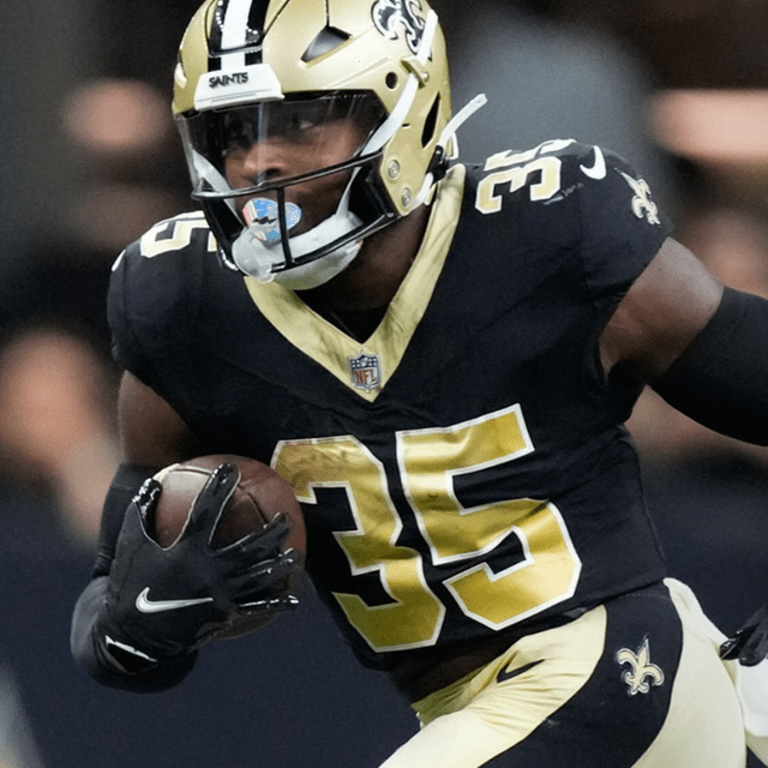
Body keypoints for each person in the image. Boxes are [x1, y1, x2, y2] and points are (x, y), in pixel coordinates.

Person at [70, 0, 768, 765]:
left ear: (402, 109)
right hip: (468, 715)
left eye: (300, 121)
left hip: (619, 670)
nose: (257, 163)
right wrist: (147, 618)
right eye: (233, 132)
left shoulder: (544, 232)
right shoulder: (181, 303)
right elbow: (115, 620)